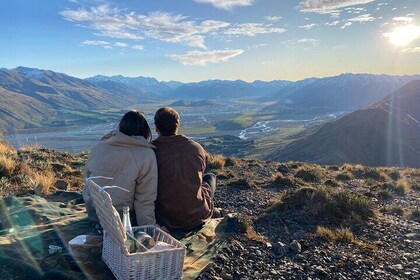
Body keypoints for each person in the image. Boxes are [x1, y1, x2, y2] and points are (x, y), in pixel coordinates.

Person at [83, 110, 158, 228]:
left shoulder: (98, 147)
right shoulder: (146, 154)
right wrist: (149, 228)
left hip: (95, 215)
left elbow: (87, 181)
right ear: (145, 130)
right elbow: (144, 199)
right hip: (123, 220)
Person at [152, 107, 216, 232]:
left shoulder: (151, 150)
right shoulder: (196, 148)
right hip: (197, 216)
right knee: (210, 178)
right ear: (177, 125)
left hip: (166, 219)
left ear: (156, 127)